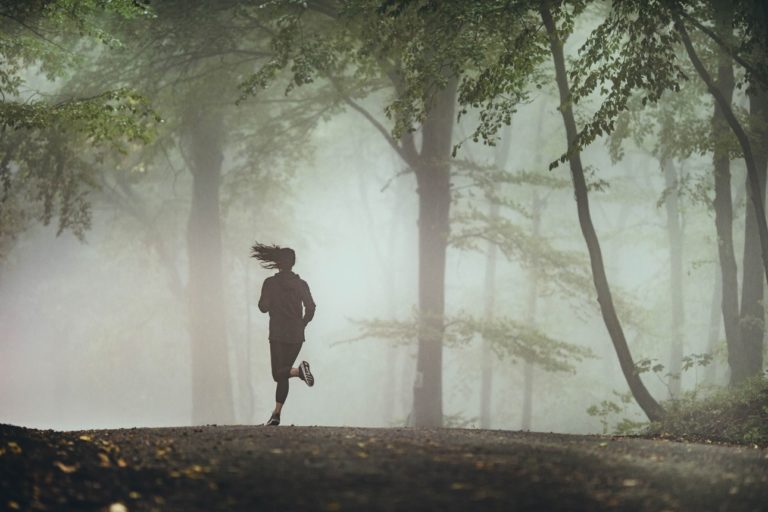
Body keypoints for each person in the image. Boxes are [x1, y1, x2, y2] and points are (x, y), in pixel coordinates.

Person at [252, 242, 316, 426]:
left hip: (278, 333)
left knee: (277, 374)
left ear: (278, 263)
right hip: (296, 335)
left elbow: (262, 308)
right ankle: (276, 414)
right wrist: (301, 324)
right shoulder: (301, 284)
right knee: (283, 373)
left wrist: (271, 301)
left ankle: (299, 372)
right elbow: (311, 308)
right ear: (293, 263)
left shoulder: (270, 283)